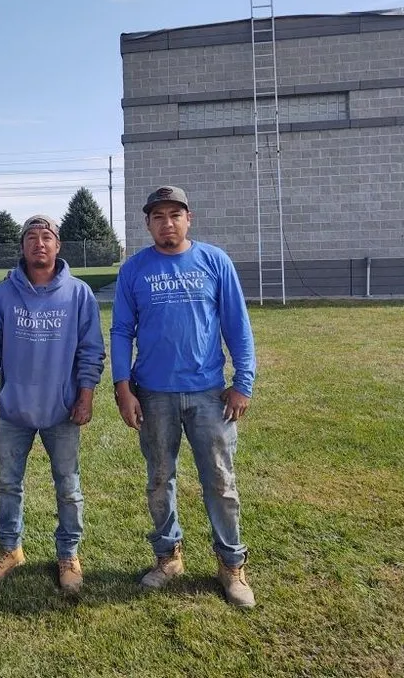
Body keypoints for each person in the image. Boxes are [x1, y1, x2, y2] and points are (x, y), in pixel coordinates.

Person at [110, 185, 257, 608]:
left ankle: (231, 565)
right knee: (160, 479)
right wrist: (123, 387)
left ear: (188, 219)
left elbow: (237, 324)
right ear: (147, 224)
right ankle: (167, 556)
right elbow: (121, 331)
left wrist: (243, 382)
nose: (167, 223)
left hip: (209, 394)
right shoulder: (134, 269)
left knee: (221, 481)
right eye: (158, 216)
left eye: (175, 215)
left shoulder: (214, 261)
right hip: (153, 394)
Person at [0, 215, 105, 594]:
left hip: (62, 410)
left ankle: (68, 554)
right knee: (7, 484)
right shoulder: (3, 295)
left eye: (47, 237)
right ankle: (9, 549)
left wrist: (85, 397)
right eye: (31, 238)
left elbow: (91, 351)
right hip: (15, 409)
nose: (39, 243)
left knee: (68, 486)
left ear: (58, 245)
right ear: (23, 247)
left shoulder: (78, 294)